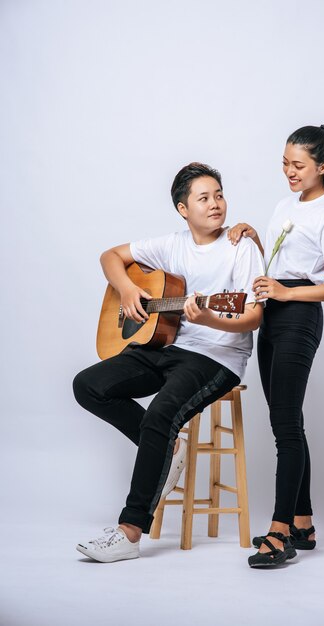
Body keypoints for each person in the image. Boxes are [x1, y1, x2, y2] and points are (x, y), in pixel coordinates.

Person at [73, 162, 265, 563]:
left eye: (219, 194)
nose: (215, 204)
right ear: (183, 209)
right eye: (204, 197)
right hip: (168, 346)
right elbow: (110, 256)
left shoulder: (240, 247)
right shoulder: (171, 245)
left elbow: (253, 315)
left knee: (161, 412)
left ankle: (129, 531)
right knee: (88, 385)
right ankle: (166, 448)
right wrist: (127, 288)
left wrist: (210, 317)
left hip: (217, 356)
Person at [228, 124, 324, 568]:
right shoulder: (288, 204)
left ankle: (280, 532)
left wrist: (286, 293)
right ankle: (303, 522)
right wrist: (255, 239)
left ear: (323, 166)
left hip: (299, 317)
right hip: (273, 316)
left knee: (285, 427)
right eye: (285, 162)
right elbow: (286, 261)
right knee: (287, 420)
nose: (289, 171)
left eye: (298, 165)